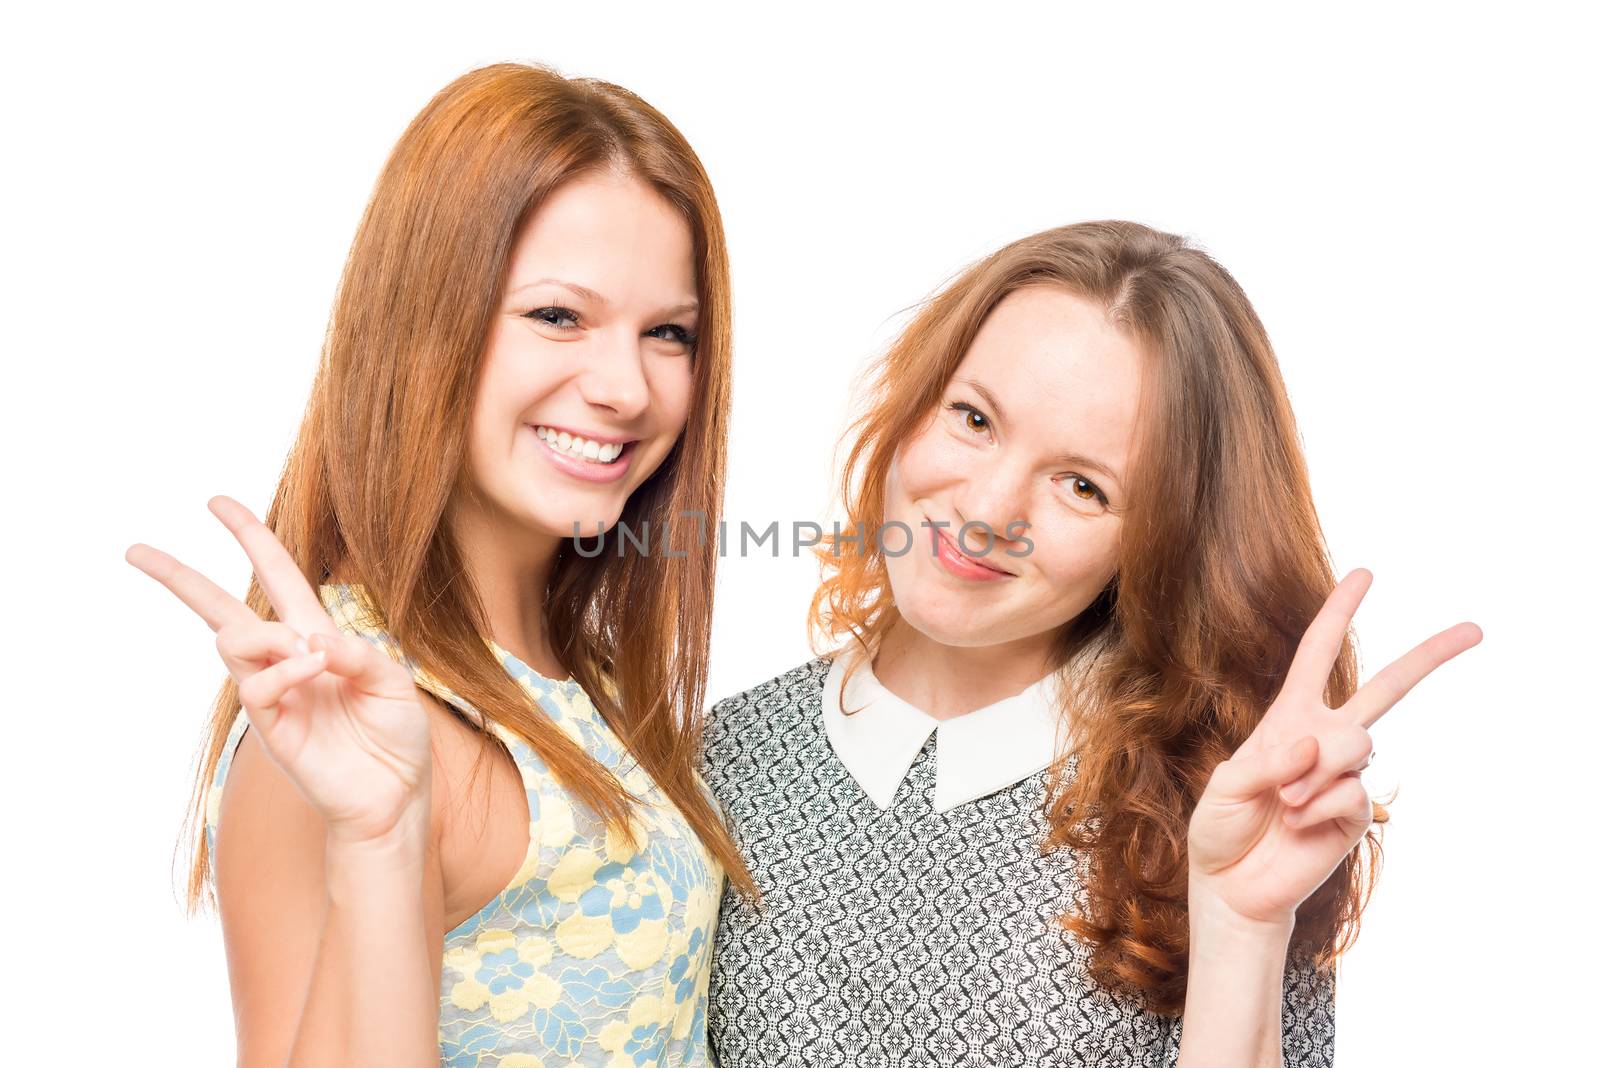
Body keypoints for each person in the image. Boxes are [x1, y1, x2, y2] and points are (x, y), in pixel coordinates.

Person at [700, 220, 1481, 1066]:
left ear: (1157, 544)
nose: (989, 510)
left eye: (1082, 486)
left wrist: (1243, 930)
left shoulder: (1220, 802)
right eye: (973, 418)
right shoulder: (720, 759)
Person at [126, 62, 752, 1066]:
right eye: (558, 316)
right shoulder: (339, 725)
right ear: (422, 323)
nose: (626, 386)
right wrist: (379, 842)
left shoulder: (564, 673)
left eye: (668, 333)